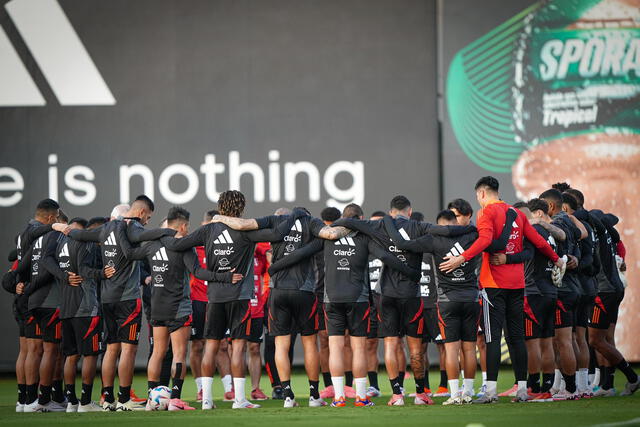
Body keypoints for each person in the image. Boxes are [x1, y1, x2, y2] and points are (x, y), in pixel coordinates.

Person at [161, 190, 307, 410]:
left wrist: (196, 267)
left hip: (214, 298)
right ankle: (239, 400)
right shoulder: (246, 231)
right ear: (242, 207)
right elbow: (278, 235)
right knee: (238, 348)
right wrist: (295, 216)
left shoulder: (207, 230)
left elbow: (176, 245)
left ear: (220, 206)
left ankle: (207, 401)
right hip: (240, 297)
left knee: (211, 347)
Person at [270, 203, 421, 407]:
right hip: (357, 298)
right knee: (358, 348)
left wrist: (276, 266)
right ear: (360, 219)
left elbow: (301, 253)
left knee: (335, 348)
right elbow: (385, 256)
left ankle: (339, 397)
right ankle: (361, 397)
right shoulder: (364, 238)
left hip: (331, 299)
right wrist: (410, 272)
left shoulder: (326, 238)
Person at [334, 196, 474, 406]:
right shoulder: (419, 226)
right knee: (415, 348)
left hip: (386, 294)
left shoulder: (378, 224)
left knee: (391, 344)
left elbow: (347, 221)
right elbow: (446, 231)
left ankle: (397, 394)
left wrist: (327, 229)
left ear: (391, 212)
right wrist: (472, 229)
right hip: (412, 295)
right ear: (410, 211)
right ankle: (420, 393)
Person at [440, 176, 563, 404]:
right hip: (517, 284)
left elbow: (485, 240)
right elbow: (537, 241)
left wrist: (461, 258)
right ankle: (523, 390)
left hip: (493, 285)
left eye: (478, 196)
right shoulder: (516, 213)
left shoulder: (486, 213)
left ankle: (491, 392)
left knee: (492, 338)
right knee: (517, 337)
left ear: (482, 193)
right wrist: (556, 259)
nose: (478, 200)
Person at [55, 195, 168, 410]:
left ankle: (107, 398)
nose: (147, 222)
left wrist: (63, 228)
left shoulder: (105, 229)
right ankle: (124, 398)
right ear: (142, 212)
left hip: (107, 298)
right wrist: (168, 232)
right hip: (127, 298)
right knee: (128, 350)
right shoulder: (132, 227)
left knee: (111, 349)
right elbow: (149, 233)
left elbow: (81, 234)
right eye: (148, 217)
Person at [42, 218, 113, 412]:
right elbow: (85, 271)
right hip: (86, 306)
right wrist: (103, 274)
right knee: (90, 355)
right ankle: (86, 402)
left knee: (71, 356)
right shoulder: (85, 243)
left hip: (66, 307)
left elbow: (45, 260)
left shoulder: (59, 245)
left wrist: (63, 276)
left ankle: (71, 401)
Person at [3, 199, 60, 412]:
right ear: (49, 218)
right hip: (31, 295)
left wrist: (15, 282)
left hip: (23, 295)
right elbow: (35, 262)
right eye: (54, 220)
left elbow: (17, 262)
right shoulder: (36, 233)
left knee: (26, 350)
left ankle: (23, 399)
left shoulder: (23, 233)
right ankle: (31, 401)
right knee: (36, 350)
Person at [14, 212, 68, 412]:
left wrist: (18, 283)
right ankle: (43, 401)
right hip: (48, 302)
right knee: (49, 351)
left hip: (32, 301)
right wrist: (64, 277)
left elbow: (21, 264)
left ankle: (27, 400)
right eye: (66, 225)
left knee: (31, 351)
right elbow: (46, 263)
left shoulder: (36, 240)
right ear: (56, 220)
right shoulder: (54, 236)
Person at [539, 188, 586, 400]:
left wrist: (539, 223)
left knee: (563, 341)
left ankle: (570, 389)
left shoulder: (555, 225)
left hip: (563, 289)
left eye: (540, 208)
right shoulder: (568, 221)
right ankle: (574, 386)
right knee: (570, 340)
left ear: (549, 207)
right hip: (575, 287)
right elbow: (582, 234)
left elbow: (562, 241)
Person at [588, 209, 640, 396]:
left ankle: (632, 377)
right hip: (614, 288)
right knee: (606, 338)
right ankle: (607, 385)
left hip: (604, 292)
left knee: (595, 339)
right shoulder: (611, 238)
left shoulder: (598, 237)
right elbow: (621, 251)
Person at [524, 199, 565, 402]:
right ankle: (547, 388)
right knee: (547, 342)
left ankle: (533, 387)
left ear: (537, 214)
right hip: (550, 291)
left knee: (533, 343)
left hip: (533, 292)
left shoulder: (533, 231)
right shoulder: (551, 234)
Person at [189, 209, 217, 401]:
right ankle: (200, 389)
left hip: (217, 300)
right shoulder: (193, 245)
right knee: (197, 346)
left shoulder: (223, 246)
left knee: (221, 346)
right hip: (197, 302)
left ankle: (229, 388)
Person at [365, 210, 385, 398]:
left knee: (395, 343)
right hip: (370, 302)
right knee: (370, 344)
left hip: (389, 301)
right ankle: (374, 386)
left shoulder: (392, 245)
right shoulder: (365, 246)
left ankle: (400, 385)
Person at [248, 241, 270, 401]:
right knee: (234, 348)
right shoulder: (234, 253)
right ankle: (233, 389)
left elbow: (269, 259)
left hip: (256, 307)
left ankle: (255, 389)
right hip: (238, 307)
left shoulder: (258, 257)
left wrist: (259, 248)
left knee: (255, 348)